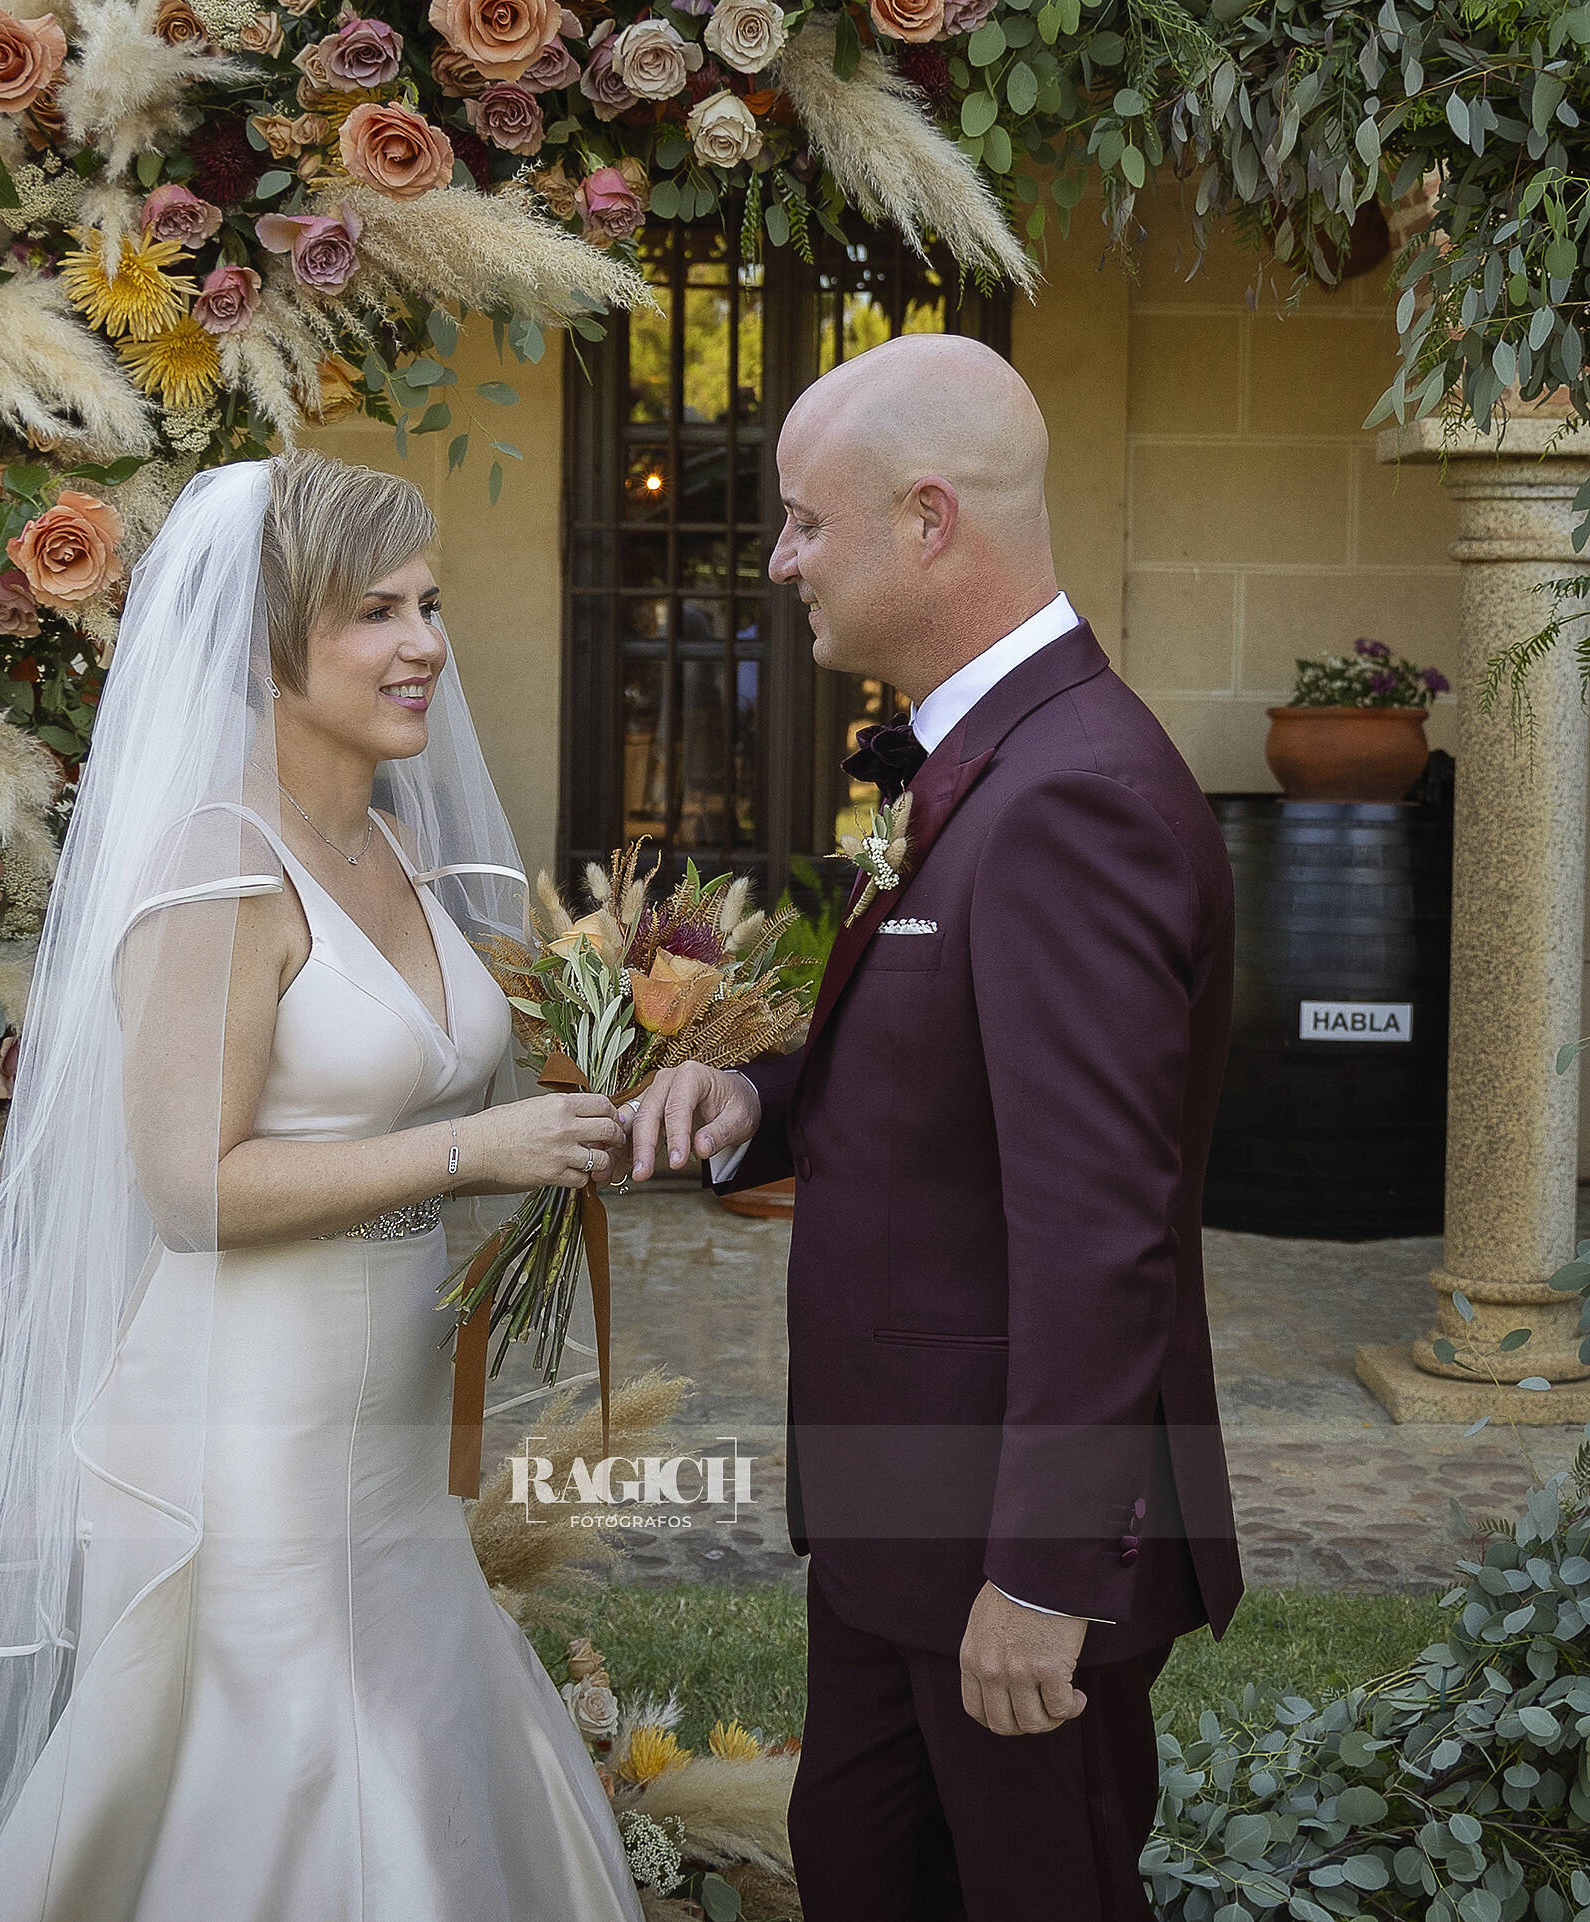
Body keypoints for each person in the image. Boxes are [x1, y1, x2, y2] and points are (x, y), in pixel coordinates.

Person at [0, 453, 642, 1922]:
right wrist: (481, 1152)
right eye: (375, 614)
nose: (425, 645)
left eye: (427, 604)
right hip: (255, 1429)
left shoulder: (393, 846)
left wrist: (640, 1070)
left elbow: (426, 1078)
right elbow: (186, 1185)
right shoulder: (220, 867)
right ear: (271, 647)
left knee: (417, 1712)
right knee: (293, 1758)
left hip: (390, 1421)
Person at [625, 334, 1245, 1922]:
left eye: (804, 525)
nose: (779, 562)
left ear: (928, 520)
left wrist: (1043, 1574)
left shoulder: (1070, 797)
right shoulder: (987, 759)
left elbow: (1099, 1224)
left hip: (1002, 1550)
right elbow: (946, 1079)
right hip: (909, 1525)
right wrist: (748, 1103)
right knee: (863, 1869)